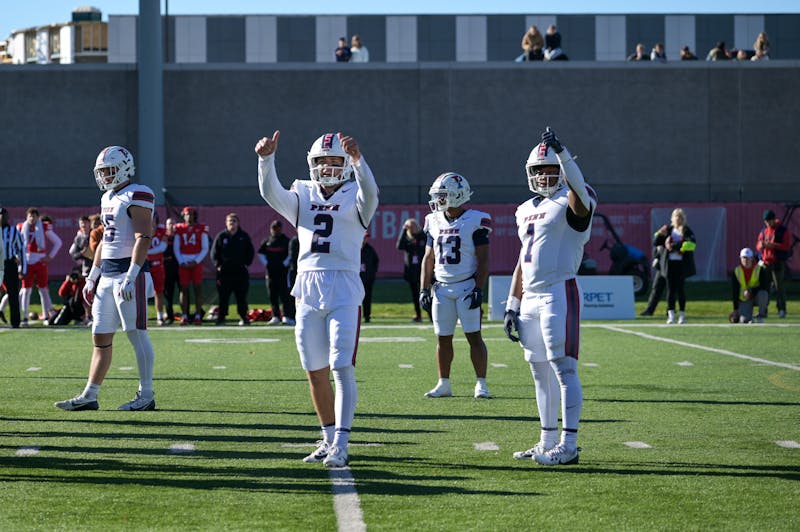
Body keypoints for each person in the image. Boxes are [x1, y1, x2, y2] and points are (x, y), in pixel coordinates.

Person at [256, 130, 379, 468]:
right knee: (314, 369)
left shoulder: (357, 189)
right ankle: (326, 438)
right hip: (307, 286)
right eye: (321, 161)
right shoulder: (303, 191)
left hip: (343, 283)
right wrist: (266, 160)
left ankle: (342, 442)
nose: (326, 167)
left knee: (341, 365)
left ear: (344, 163)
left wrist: (358, 161)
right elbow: (271, 194)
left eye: (333, 160)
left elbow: (371, 195)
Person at [504, 126, 596, 466]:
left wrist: (564, 154)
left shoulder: (573, 197)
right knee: (538, 371)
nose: (544, 176)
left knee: (564, 368)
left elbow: (579, 196)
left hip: (560, 290)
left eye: (551, 169)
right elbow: (522, 259)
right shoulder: (524, 208)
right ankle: (545, 440)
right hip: (530, 297)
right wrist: (512, 303)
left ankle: (568, 445)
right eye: (539, 170)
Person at [55, 145, 157, 411]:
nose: (105, 176)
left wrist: (132, 275)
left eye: (109, 170)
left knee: (136, 334)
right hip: (108, 274)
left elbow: (143, 238)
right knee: (100, 335)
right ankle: (90, 395)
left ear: (125, 167)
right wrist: (92, 276)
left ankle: (146, 395)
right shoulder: (108, 197)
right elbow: (104, 241)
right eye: (102, 171)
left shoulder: (138, 193)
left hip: (129, 273)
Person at [419, 172, 491, 399]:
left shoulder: (475, 220)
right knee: (443, 337)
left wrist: (479, 288)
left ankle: (481, 383)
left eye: (443, 194)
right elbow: (428, 258)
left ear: (457, 195)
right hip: (441, 288)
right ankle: (444, 383)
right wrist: (423, 288)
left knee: (474, 336)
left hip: (466, 286)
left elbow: (484, 259)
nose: (438, 199)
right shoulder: (433, 220)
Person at [17, 208, 62, 326]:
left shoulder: (44, 227)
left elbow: (58, 242)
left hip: (40, 260)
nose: (32, 219)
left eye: (34, 216)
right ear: (26, 217)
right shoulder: (21, 227)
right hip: (26, 261)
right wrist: (18, 257)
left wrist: (50, 256)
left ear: (38, 217)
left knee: (43, 289)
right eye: (30, 216)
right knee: (26, 290)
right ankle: (24, 317)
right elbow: (17, 244)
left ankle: (46, 316)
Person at [653, 208, 696, 324]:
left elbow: (691, 244)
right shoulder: (667, 229)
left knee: (681, 290)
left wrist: (674, 246)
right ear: (672, 218)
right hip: (669, 264)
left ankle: (682, 315)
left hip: (681, 264)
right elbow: (656, 242)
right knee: (670, 290)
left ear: (683, 219)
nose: (677, 219)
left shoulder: (686, 230)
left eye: (680, 217)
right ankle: (671, 314)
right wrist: (660, 235)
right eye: (675, 217)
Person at [211, 213, 255, 326]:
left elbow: (250, 252)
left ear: (238, 223)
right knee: (223, 297)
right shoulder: (221, 236)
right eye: (230, 221)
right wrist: (218, 265)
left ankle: (243, 317)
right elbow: (214, 253)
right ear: (226, 223)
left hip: (240, 273)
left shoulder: (244, 236)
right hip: (224, 273)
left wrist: (247, 264)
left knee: (241, 296)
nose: (232, 223)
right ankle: (221, 318)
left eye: (234, 221)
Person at [174, 206, 209, 325]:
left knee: (198, 289)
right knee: (183, 289)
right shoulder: (179, 228)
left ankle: (198, 315)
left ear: (195, 216)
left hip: (196, 261)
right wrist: (181, 261)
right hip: (183, 260)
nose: (189, 217)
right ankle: (184, 315)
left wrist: (196, 261)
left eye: (191, 214)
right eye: (187, 214)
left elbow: (205, 248)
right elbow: (176, 247)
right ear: (183, 216)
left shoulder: (201, 228)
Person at [257, 219, 293, 325]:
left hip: (283, 273)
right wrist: (266, 264)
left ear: (281, 229)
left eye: (278, 228)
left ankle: (286, 316)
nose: (276, 230)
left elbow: (290, 253)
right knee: (272, 295)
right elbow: (260, 253)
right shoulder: (266, 241)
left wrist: (285, 263)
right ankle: (275, 316)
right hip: (271, 273)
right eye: (274, 228)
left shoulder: (286, 241)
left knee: (285, 295)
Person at [757, 209, 791, 318]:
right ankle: (763, 310)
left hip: (777, 262)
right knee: (764, 287)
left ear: (773, 220)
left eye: (768, 221)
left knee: (778, 287)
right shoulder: (764, 231)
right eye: (765, 221)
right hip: (766, 263)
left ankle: (781, 309)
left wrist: (773, 245)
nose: (767, 223)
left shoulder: (782, 230)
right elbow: (757, 245)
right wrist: (761, 245)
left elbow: (786, 246)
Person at [396, 217, 426, 322]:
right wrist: (404, 229)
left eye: (413, 225)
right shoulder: (408, 239)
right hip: (412, 271)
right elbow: (399, 246)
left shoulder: (423, 236)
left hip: (423, 270)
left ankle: (432, 315)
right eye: (410, 226)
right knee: (415, 295)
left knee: (427, 293)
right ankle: (418, 315)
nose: (412, 228)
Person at [1, 207, 26, 328]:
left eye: (3, 215)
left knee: (13, 293)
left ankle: (15, 321)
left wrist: (23, 269)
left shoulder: (14, 231)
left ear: (7, 217)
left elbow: (21, 250)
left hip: (9, 264)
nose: (1, 217)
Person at [729, 247, 769, 324]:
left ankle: (761, 315)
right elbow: (735, 290)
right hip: (745, 299)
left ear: (752, 258)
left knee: (763, 294)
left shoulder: (760, 269)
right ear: (740, 258)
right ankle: (750, 318)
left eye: (748, 258)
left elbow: (765, 286)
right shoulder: (736, 271)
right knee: (744, 320)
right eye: (743, 258)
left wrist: (751, 291)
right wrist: (735, 309)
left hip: (757, 296)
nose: (745, 260)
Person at [147, 215, 168, 325]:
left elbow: (162, 247)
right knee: (141, 293)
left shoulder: (161, 230)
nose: (151, 222)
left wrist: (146, 253)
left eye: (153, 220)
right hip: (144, 265)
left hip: (157, 265)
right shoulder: (141, 229)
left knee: (159, 292)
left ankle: (160, 316)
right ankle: (142, 317)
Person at [640, 242, 667, 316]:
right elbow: (655, 251)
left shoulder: (677, 235)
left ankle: (670, 311)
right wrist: (657, 255)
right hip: (661, 267)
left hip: (671, 266)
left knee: (671, 290)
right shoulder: (662, 234)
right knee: (656, 288)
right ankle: (649, 310)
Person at [162, 217, 179, 324]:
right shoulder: (163, 237)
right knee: (168, 293)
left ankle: (187, 315)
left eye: (173, 224)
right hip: (167, 268)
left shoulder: (179, 237)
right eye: (169, 224)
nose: (172, 226)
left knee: (184, 291)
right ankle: (169, 315)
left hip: (180, 267)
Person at [360, 232, 379, 323]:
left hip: (367, 278)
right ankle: (356, 315)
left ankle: (367, 316)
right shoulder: (354, 248)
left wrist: (372, 273)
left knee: (367, 297)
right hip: (356, 278)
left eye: (366, 238)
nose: (365, 239)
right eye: (364, 237)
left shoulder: (370, 249)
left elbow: (376, 261)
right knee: (356, 298)